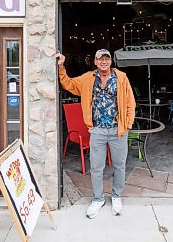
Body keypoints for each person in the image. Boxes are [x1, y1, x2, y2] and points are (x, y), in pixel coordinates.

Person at [56, 49, 136, 218]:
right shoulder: (87, 78)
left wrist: (128, 124)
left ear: (111, 61)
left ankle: (116, 196)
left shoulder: (121, 78)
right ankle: (98, 199)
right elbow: (68, 84)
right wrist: (61, 66)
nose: (104, 62)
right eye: (101, 59)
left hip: (118, 130)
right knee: (96, 167)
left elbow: (130, 102)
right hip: (97, 130)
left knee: (120, 165)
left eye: (107, 59)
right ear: (95, 62)